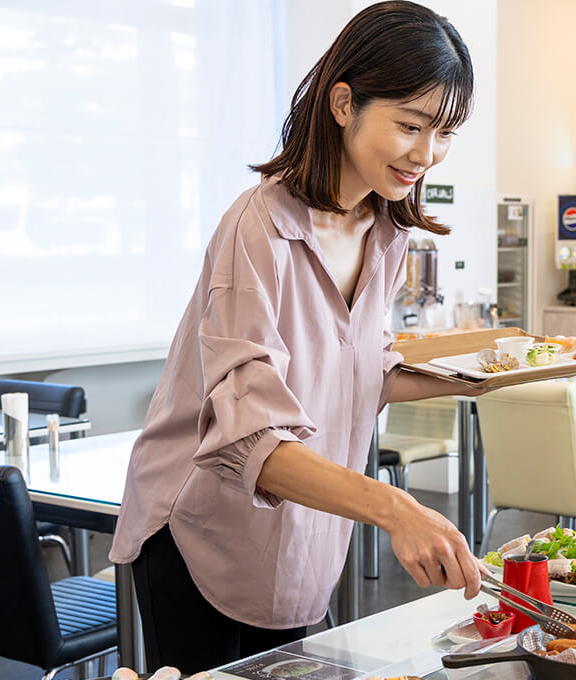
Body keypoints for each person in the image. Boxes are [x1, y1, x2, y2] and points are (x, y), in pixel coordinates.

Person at [109, 2, 486, 672]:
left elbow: (361, 368)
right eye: (410, 125)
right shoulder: (258, 229)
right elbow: (248, 437)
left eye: (445, 133)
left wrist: (494, 372)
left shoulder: (387, 233)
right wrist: (397, 509)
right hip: (201, 530)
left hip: (308, 529)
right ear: (344, 103)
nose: (427, 155)